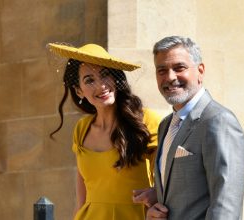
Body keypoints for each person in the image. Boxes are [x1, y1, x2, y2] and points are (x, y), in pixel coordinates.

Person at [47, 43, 161, 220]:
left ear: (116, 78)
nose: (101, 86)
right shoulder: (81, 128)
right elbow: (81, 200)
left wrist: (155, 194)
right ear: (79, 91)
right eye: (89, 80)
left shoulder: (148, 121)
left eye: (106, 75)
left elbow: (171, 183)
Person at [146, 36, 244, 220]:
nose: (170, 77)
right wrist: (155, 204)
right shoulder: (166, 125)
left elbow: (226, 207)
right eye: (162, 70)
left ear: (200, 71)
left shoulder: (219, 121)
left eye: (179, 68)